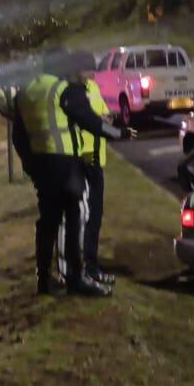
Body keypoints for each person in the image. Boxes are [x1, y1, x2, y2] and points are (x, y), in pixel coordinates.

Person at [16, 52, 114, 298]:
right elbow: (89, 121)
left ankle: (43, 280)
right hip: (68, 163)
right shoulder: (64, 90)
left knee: (48, 221)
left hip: (41, 165)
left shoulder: (26, 91)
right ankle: (77, 278)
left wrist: (30, 165)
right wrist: (118, 131)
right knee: (76, 217)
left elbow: (18, 135)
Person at [57, 52, 126, 287]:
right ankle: (81, 268)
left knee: (94, 217)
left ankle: (90, 264)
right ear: (77, 70)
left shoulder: (92, 88)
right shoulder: (72, 92)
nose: (93, 74)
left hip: (96, 161)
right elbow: (87, 119)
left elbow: (100, 113)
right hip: (81, 160)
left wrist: (107, 118)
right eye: (89, 70)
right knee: (81, 218)